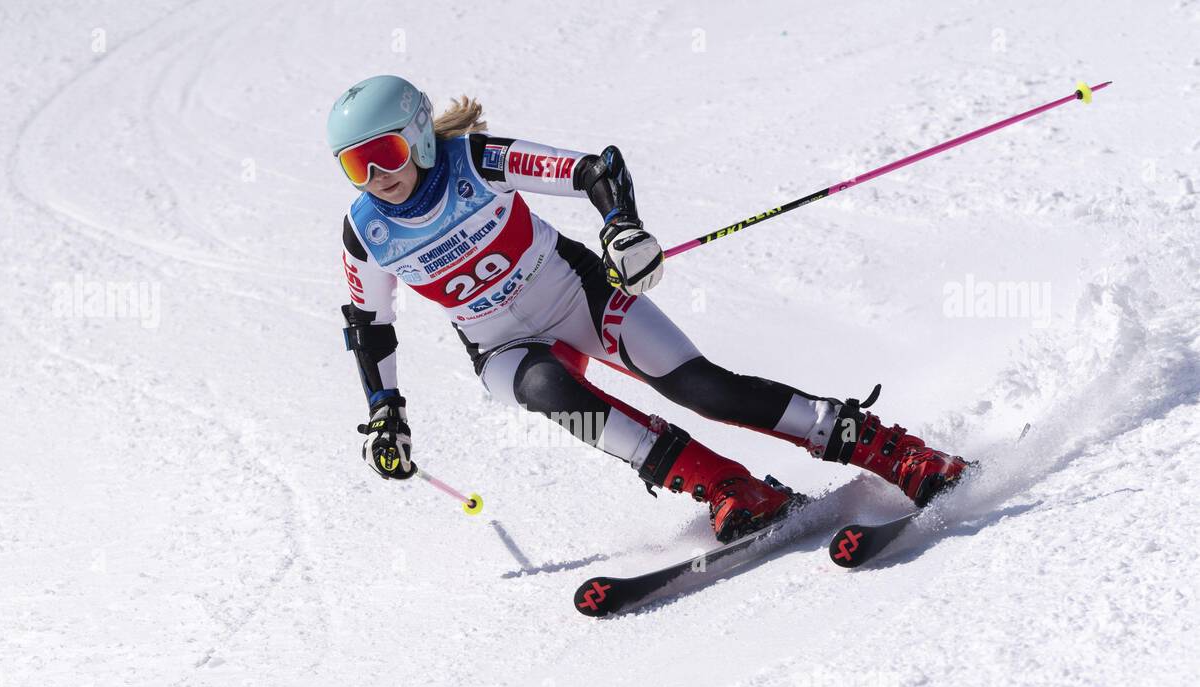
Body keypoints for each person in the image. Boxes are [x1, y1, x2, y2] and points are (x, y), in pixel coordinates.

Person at [329, 75, 966, 543]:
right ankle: (727, 486)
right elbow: (370, 328)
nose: (375, 177)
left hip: (577, 294)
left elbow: (592, 170)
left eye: (383, 153)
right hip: (501, 348)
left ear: (417, 136)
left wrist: (621, 230)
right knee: (553, 392)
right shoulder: (366, 233)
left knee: (704, 388)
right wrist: (386, 414)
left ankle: (890, 452)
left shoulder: (476, 160)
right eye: (355, 165)